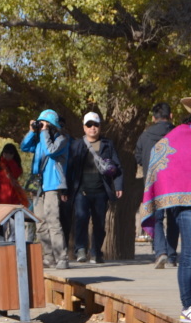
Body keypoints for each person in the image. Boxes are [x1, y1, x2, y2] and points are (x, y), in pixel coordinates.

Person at [139, 96, 191, 322]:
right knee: (190, 255)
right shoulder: (178, 136)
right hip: (186, 206)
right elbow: (160, 154)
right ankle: (188, 307)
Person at [65, 112, 123, 264]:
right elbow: (69, 169)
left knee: (100, 223)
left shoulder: (107, 144)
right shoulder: (76, 145)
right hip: (81, 191)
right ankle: (81, 250)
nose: (93, 128)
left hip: (101, 191)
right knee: (81, 219)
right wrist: (66, 190)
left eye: (95, 125)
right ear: (84, 127)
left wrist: (118, 185)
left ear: (100, 127)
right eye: (89, 125)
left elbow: (117, 166)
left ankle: (97, 252)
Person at [21, 109, 70, 269]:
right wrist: (31, 131)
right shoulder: (39, 139)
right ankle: (48, 257)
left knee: (53, 221)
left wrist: (44, 132)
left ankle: (62, 257)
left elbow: (50, 150)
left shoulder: (62, 139)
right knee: (40, 222)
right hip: (38, 186)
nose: (42, 126)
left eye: (45, 123)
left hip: (52, 185)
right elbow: (24, 147)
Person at [136, 102, 178, 268]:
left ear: (153, 118)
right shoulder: (178, 133)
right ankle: (172, 256)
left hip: (154, 182)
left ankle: (160, 252)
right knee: (174, 218)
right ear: (171, 116)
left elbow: (138, 157)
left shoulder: (144, 136)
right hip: (174, 182)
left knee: (157, 219)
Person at [0, 143, 28, 240]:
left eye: (11, 153)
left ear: (14, 155)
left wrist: (10, 162)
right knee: (1, 230)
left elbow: (17, 173)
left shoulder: (15, 166)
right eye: (6, 152)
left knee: (15, 230)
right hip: (0, 203)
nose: (8, 155)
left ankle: (13, 250)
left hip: (15, 202)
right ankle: (0, 251)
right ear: (2, 153)